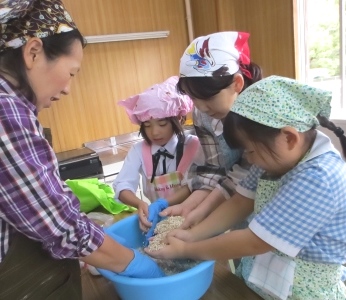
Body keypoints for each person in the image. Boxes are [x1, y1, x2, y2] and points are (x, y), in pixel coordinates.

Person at [0, 1, 163, 299]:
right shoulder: (5, 112)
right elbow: (62, 227)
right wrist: (136, 263)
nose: (67, 89)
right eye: (72, 73)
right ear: (33, 52)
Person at [146, 75, 346, 299]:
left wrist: (186, 250)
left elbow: (255, 242)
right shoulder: (276, 158)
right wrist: (192, 235)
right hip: (264, 279)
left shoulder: (318, 178)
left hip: (303, 291)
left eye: (250, 151)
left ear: (289, 138)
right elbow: (240, 201)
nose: (249, 159)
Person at [157, 31, 263, 230]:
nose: (202, 107)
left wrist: (202, 210)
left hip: (268, 206)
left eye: (207, 98)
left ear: (237, 84)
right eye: (194, 98)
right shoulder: (204, 115)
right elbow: (214, 168)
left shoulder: (260, 116)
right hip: (232, 205)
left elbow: (247, 174)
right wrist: (187, 207)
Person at [113, 76, 203, 241]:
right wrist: (141, 204)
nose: (154, 132)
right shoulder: (139, 150)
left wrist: (163, 203)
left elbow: (196, 185)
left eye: (162, 124)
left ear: (180, 119)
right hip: (158, 219)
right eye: (147, 126)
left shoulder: (194, 147)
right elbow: (122, 185)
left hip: (192, 219)